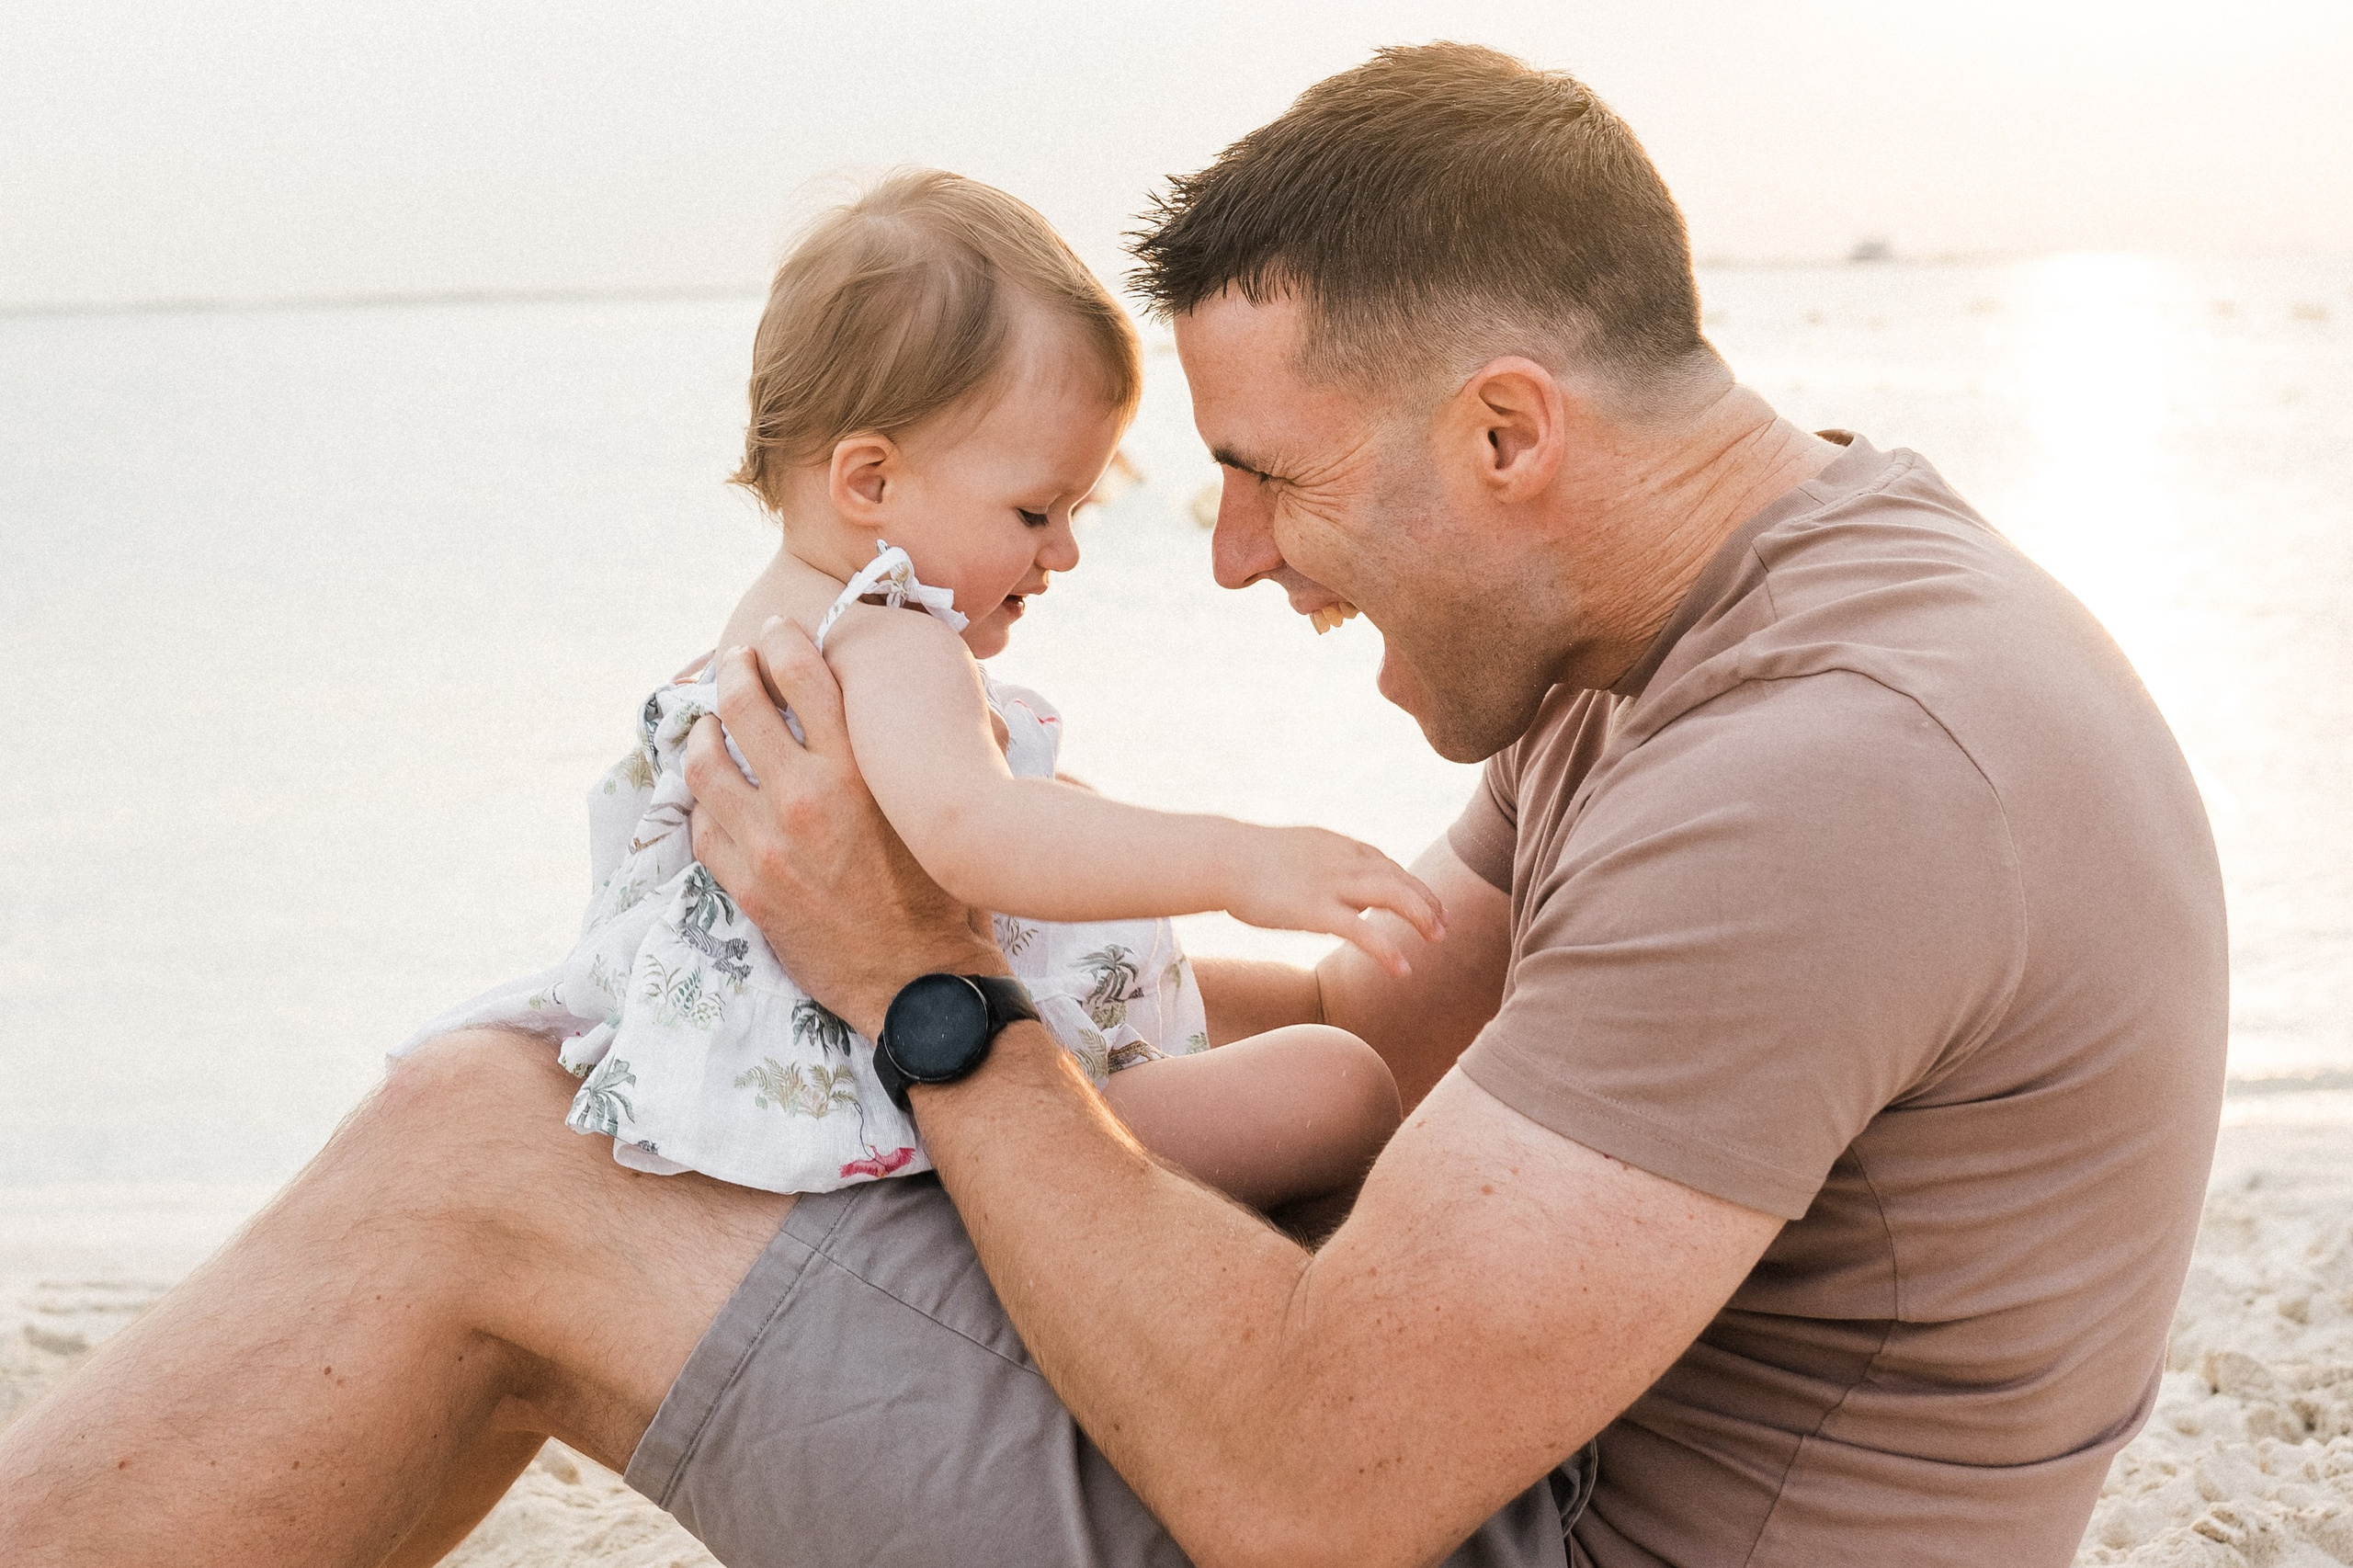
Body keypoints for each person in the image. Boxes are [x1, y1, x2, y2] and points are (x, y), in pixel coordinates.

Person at [0, 41, 2227, 1568]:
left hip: (1471, 1517)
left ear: (1504, 433)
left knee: (488, 1157)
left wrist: (919, 980)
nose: (1229, 556)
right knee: (530, 1124)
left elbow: (1310, 1490)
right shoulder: (1706, 632)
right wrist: (1013, 948)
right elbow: (1391, 1026)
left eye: (1260, 476)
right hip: (1485, 1459)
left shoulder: (1830, 771)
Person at [396, 167, 1434, 1211]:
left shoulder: (755, 639)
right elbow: (974, 832)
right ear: (871, 482)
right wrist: (1242, 861)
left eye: (1077, 510)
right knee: (1338, 1084)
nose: (1065, 552)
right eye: (1035, 512)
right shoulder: (889, 638)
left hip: (815, 1087)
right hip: (906, 1110)